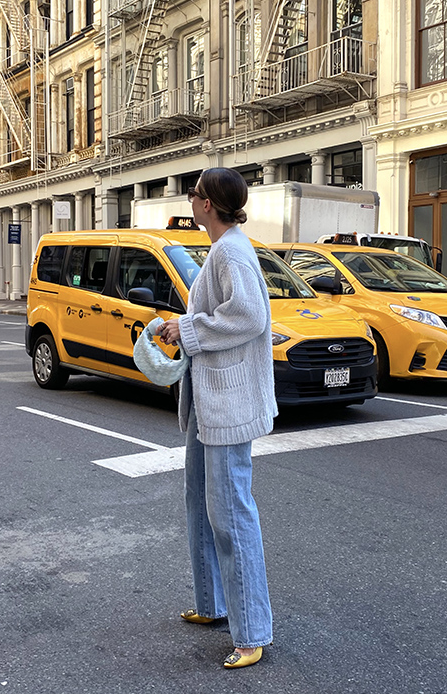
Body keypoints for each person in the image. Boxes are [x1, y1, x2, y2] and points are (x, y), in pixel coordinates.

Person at [159, 168, 277, 670]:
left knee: (230, 513)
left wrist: (185, 330)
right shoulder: (223, 247)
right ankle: (214, 604)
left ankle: (251, 630)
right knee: (201, 505)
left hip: (226, 404)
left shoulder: (230, 249)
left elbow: (249, 316)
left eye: (195, 192)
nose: (191, 197)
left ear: (209, 204)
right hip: (211, 403)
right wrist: (183, 329)